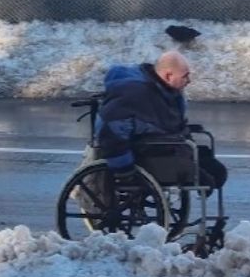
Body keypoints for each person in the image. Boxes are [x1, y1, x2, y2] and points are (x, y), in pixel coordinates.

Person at [94, 50, 227, 193]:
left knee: (217, 172)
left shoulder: (169, 92)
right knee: (206, 178)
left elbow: (175, 126)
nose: (189, 81)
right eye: (185, 76)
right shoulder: (134, 93)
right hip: (149, 155)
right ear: (168, 76)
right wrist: (123, 169)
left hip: (168, 148)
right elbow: (111, 132)